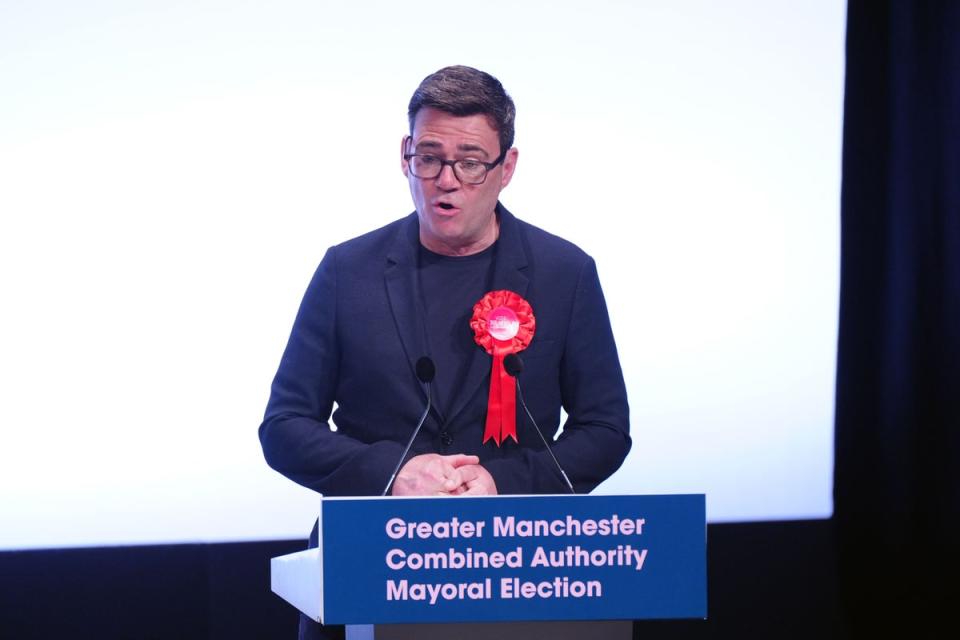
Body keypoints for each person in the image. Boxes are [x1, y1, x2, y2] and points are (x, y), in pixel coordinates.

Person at [258, 65, 631, 639]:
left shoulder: (565, 273)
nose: (445, 180)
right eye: (428, 157)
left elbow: (605, 431)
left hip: (515, 573)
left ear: (507, 167)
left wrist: (503, 484)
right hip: (370, 566)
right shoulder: (347, 270)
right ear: (405, 155)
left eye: (470, 161)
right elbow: (284, 427)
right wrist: (392, 474)